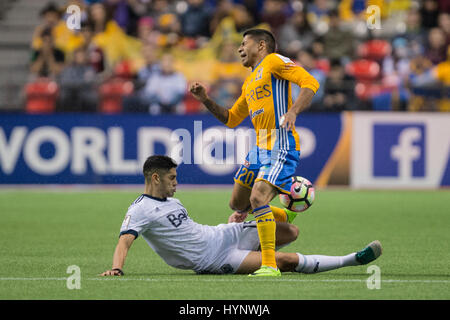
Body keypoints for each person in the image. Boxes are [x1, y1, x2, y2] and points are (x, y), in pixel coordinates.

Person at [100, 155, 382, 277]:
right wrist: (117, 268)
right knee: (281, 261)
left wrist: (231, 222)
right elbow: (124, 241)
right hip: (215, 260)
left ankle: (289, 209)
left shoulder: (174, 201)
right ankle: (351, 260)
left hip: (221, 234)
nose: (176, 183)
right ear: (155, 178)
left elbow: (191, 231)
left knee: (290, 232)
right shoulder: (140, 209)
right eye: (172, 178)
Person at [189, 28, 320, 276]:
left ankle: (269, 264)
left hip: (281, 144)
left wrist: (293, 111)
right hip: (259, 148)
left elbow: (311, 83)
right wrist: (205, 99)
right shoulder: (250, 81)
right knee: (237, 205)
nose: (239, 48)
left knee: (257, 198)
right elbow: (230, 119)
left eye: (244, 43)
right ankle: (283, 213)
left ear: (261, 45)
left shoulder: (274, 61)